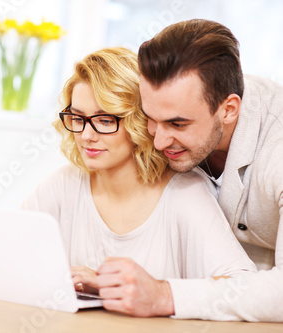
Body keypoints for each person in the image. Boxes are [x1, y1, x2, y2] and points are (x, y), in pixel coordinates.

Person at [22, 47, 255, 302]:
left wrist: (148, 290)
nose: (86, 135)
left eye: (105, 120)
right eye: (78, 118)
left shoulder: (184, 192)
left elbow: (243, 284)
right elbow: (6, 251)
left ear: (139, 121)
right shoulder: (64, 184)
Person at [95, 19, 283, 322]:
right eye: (151, 118)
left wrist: (164, 296)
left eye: (177, 124)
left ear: (229, 109)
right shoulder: (179, 120)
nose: (158, 140)